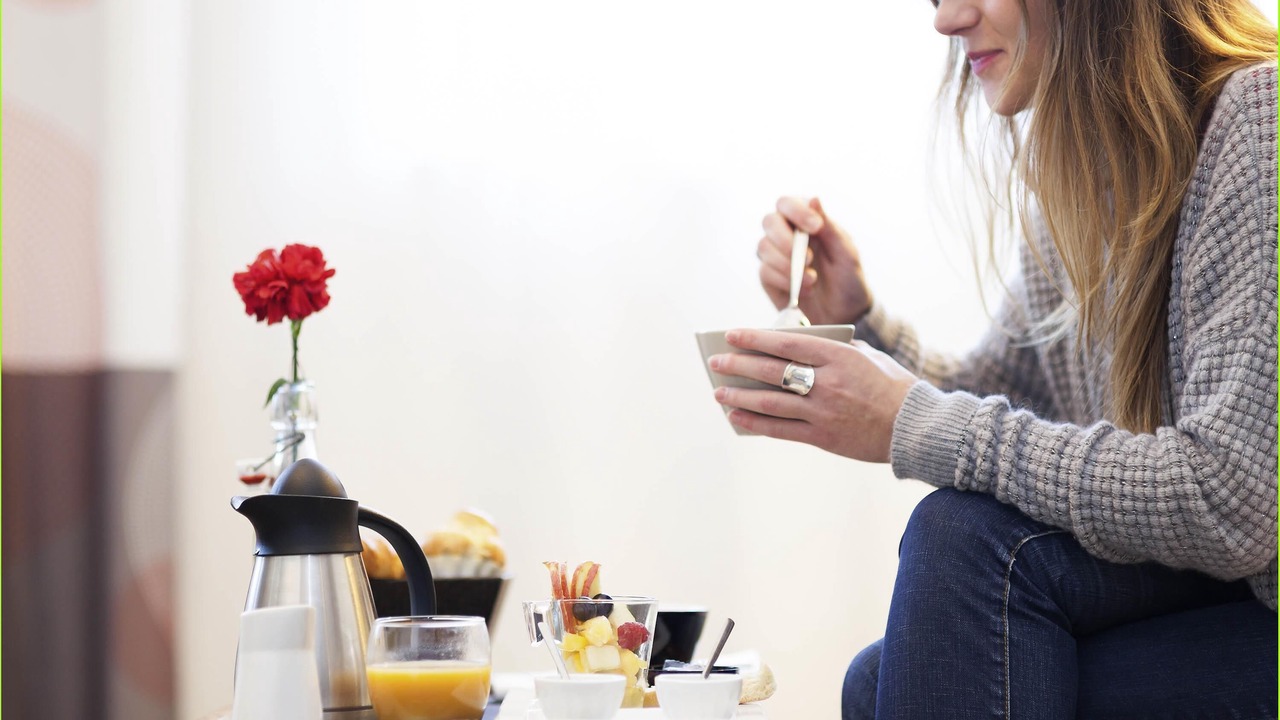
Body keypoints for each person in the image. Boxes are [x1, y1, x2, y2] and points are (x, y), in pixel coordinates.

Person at [706, 0, 1278, 717]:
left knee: (962, 551)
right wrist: (856, 321)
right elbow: (1009, 397)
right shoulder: (1090, 172)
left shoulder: (1261, 120)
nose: (947, 20)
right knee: (882, 675)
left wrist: (909, 423)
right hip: (1224, 590)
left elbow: (1232, 501)